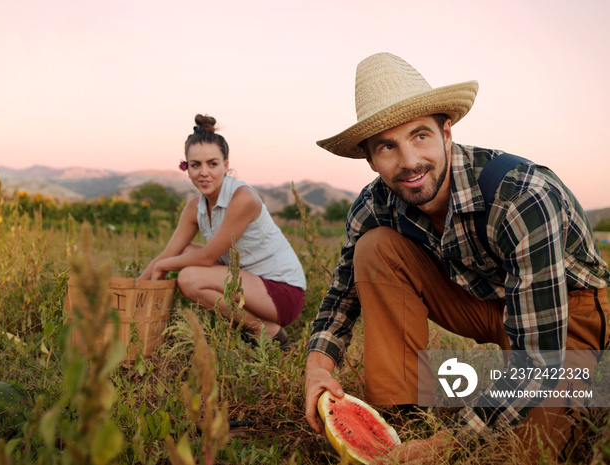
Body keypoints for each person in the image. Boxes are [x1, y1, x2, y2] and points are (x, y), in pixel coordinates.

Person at [304, 52, 610, 463]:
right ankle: (403, 411)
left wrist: (447, 445)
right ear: (370, 159)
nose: (410, 162)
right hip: (488, 302)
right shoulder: (374, 203)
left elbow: (540, 358)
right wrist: (318, 367)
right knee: (374, 247)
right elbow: (342, 293)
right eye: (387, 147)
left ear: (446, 132)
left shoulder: (521, 197)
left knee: (519, 454)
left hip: (567, 317)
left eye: (419, 136)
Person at [141, 114, 306, 346]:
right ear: (186, 168)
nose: (204, 172)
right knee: (183, 251)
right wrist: (135, 288)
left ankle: (267, 331)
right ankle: (251, 324)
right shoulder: (194, 208)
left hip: (281, 292)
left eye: (213, 163)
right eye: (195, 165)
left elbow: (207, 257)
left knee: (188, 278)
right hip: (246, 283)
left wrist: (162, 266)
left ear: (226, 165)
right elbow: (169, 253)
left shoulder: (243, 198)